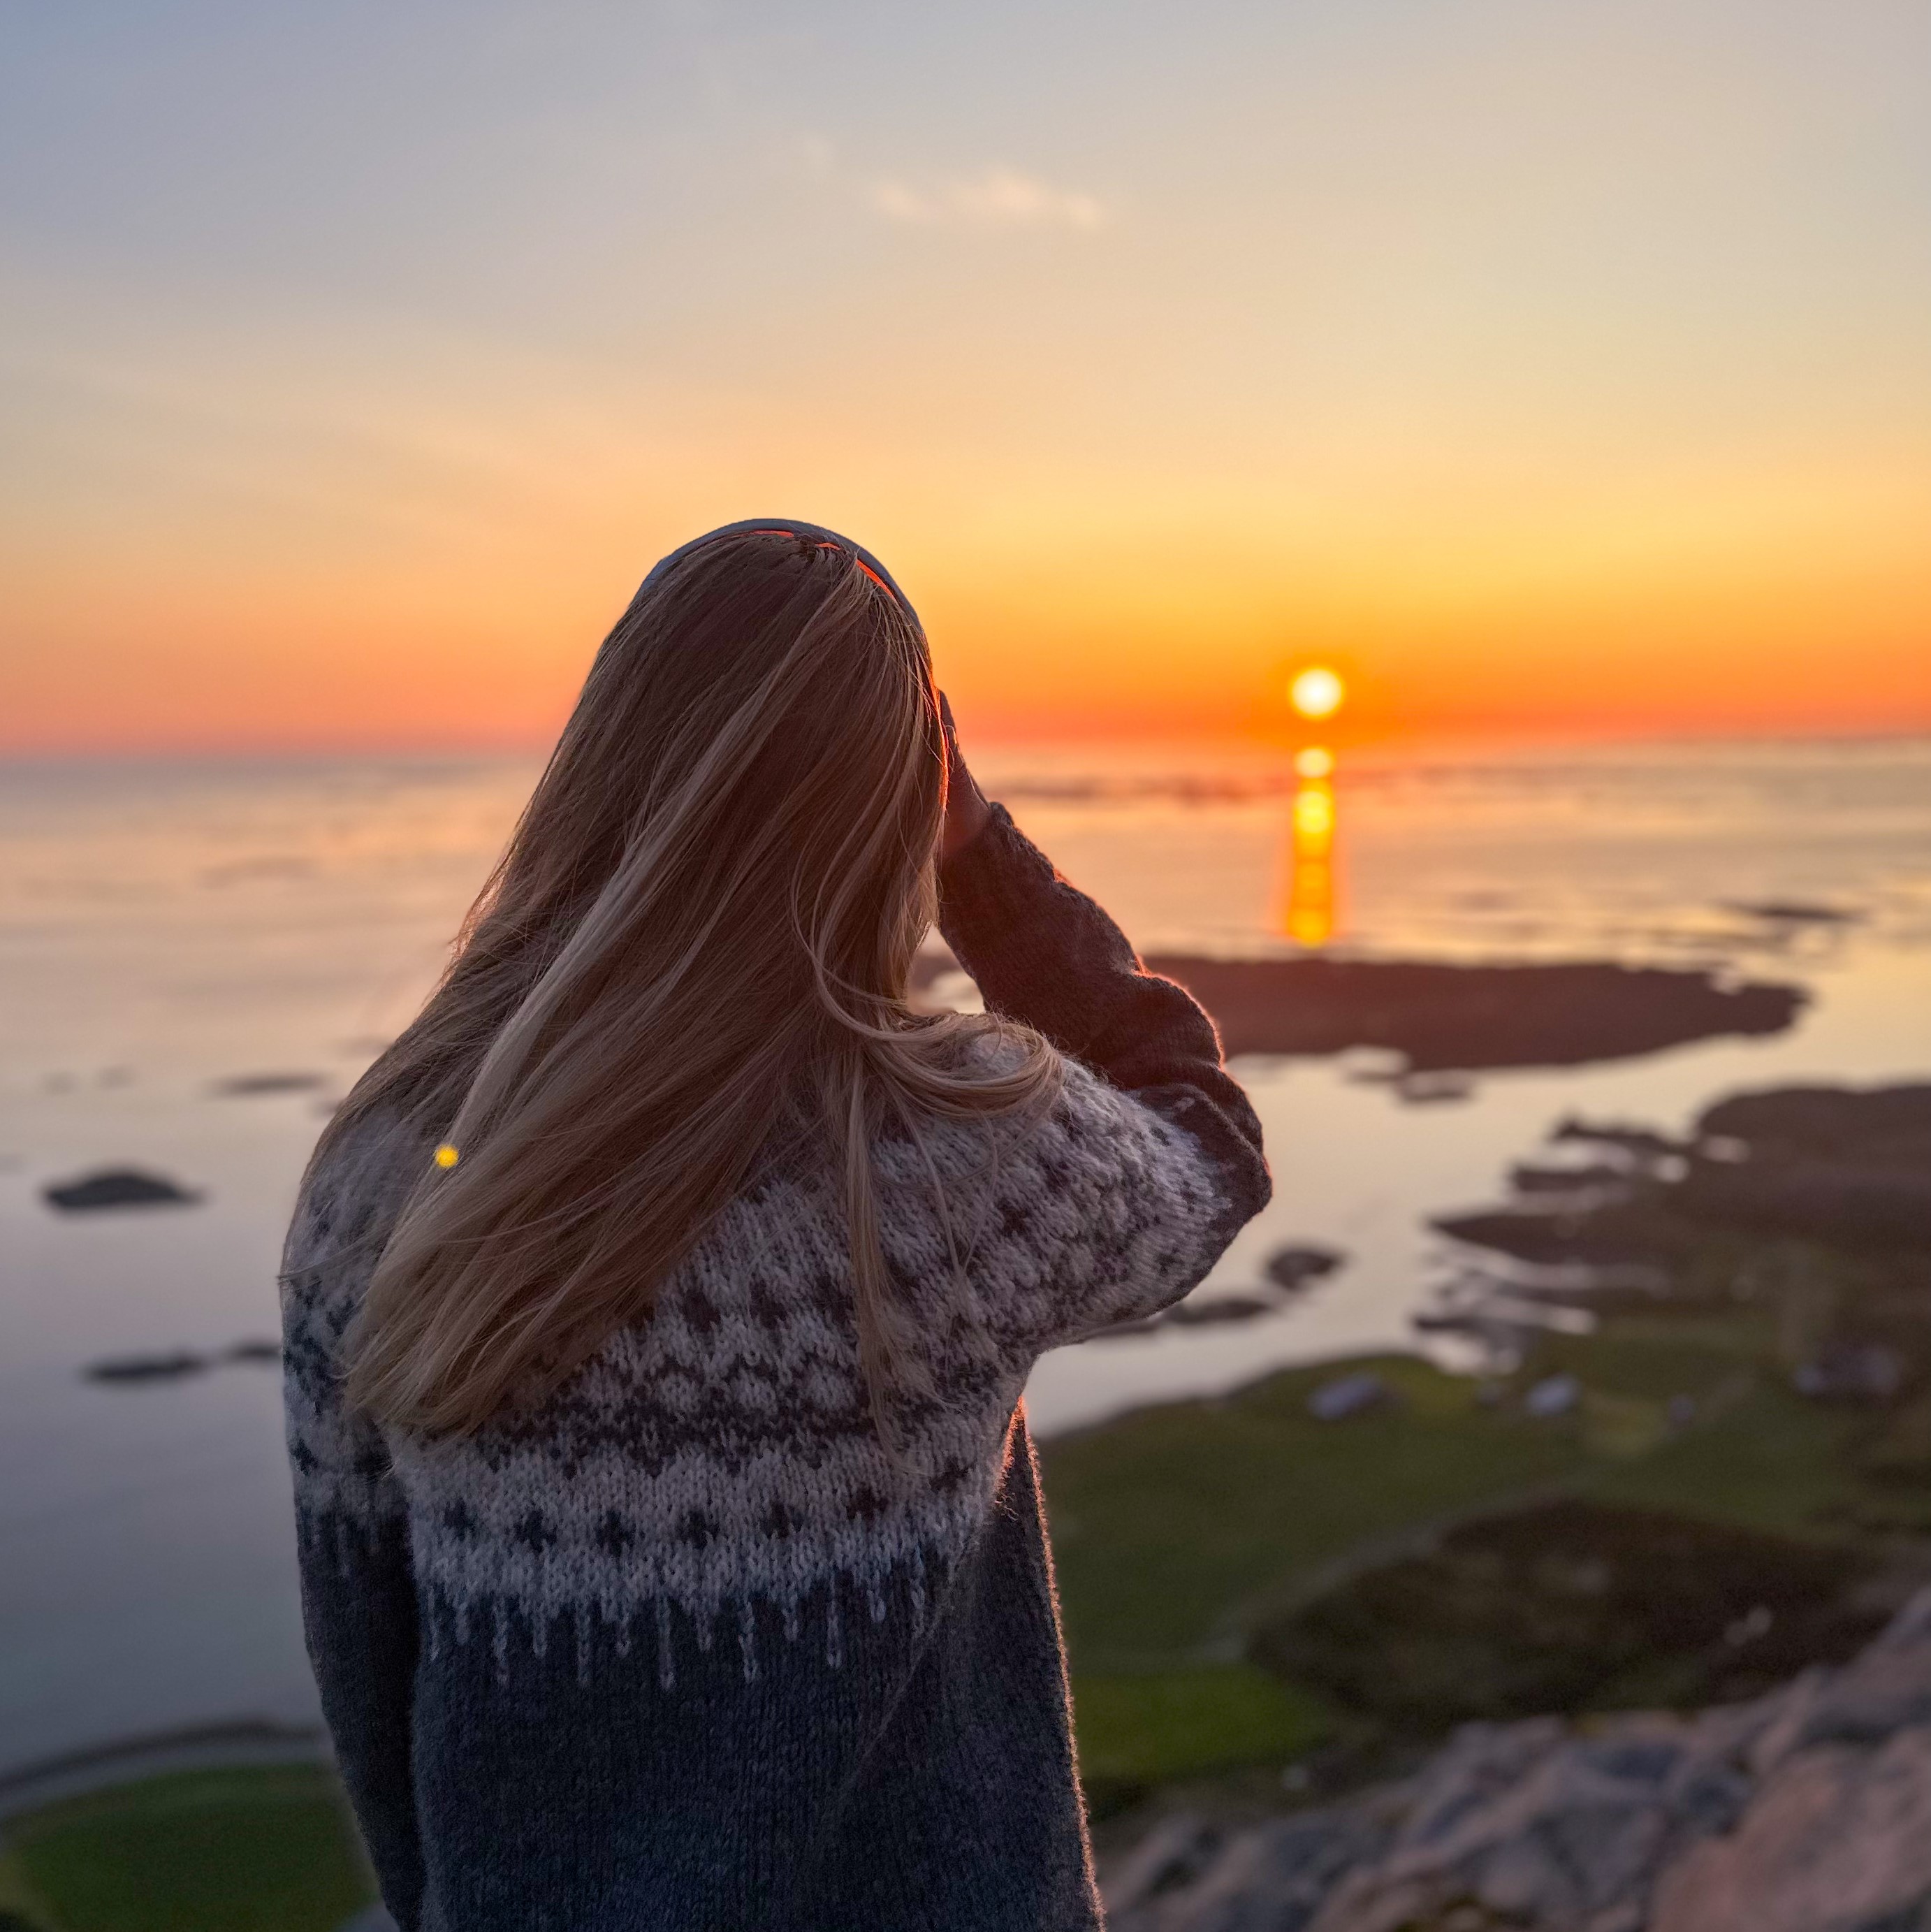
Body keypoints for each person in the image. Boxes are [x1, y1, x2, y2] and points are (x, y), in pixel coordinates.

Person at [280, 518, 1271, 1931]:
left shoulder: (386, 1176)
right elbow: (1201, 1136)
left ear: (601, 756)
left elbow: (365, 1662)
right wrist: (977, 851)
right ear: (902, 792)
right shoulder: (951, 1155)